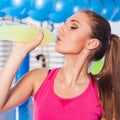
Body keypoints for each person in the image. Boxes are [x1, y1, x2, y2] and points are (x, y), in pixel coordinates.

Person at [0, 10, 120, 120]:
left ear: (91, 43)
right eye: (64, 24)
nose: (60, 29)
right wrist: (18, 52)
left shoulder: (105, 95)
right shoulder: (37, 78)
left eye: (73, 27)